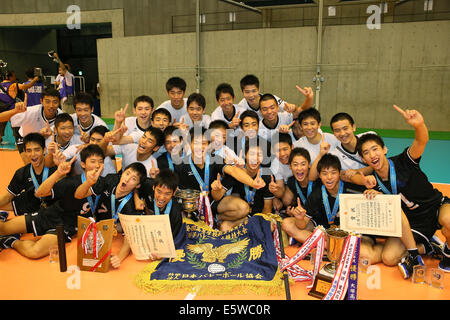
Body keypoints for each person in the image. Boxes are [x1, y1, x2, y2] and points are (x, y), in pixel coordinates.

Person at [353, 105, 450, 275]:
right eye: (366, 153)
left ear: (384, 149)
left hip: (434, 207)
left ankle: (448, 250)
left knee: (448, 220)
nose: (372, 155)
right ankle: (426, 246)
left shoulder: (404, 161)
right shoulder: (371, 183)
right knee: (389, 258)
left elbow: (421, 141)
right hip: (410, 223)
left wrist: (419, 125)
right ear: (363, 158)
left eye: (375, 149)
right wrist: (378, 197)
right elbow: (349, 176)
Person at [0, 145, 103, 257]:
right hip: (49, 215)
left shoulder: (104, 183)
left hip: (64, 227)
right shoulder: (70, 182)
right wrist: (58, 173)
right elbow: (40, 193)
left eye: (100, 162)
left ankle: (10, 241)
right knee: (3, 228)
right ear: (83, 164)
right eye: (93, 161)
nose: (97, 165)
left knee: (34, 252)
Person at [173, 126, 266, 229]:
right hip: (193, 206)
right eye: (196, 143)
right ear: (190, 144)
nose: (200, 147)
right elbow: (179, 195)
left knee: (243, 208)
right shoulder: (181, 165)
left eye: (204, 143)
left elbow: (233, 170)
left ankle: (216, 217)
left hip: (214, 202)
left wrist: (253, 183)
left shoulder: (215, 159)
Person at [74, 162, 148, 267]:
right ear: (122, 173)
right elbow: (78, 195)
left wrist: (119, 258)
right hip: (95, 226)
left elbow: (129, 240)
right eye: (127, 174)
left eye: (133, 179)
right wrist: (88, 183)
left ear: (137, 185)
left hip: (114, 233)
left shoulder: (132, 207)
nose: (127, 179)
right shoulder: (110, 180)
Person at [211, 140, 274, 231]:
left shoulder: (267, 176)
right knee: (225, 228)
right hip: (238, 214)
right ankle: (218, 217)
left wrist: (258, 222)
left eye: (259, 155)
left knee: (269, 227)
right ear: (246, 155)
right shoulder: (237, 172)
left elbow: (267, 209)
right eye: (252, 154)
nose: (255, 158)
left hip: (255, 216)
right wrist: (216, 190)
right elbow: (216, 197)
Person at [0, 133, 57, 216]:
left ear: (44, 150)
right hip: (32, 207)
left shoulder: (56, 168)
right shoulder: (22, 172)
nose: (33, 154)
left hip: (54, 210)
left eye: (37, 150)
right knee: (18, 198)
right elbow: (8, 196)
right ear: (25, 152)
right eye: (29, 151)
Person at [10, 87, 62, 164]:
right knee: (30, 166)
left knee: (47, 164)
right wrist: (16, 110)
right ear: (41, 101)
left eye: (55, 102)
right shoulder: (30, 111)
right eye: (47, 102)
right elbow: (11, 119)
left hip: (45, 141)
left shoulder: (62, 117)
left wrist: (53, 131)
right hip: (25, 138)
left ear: (59, 102)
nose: (51, 105)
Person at [237, 74, 312, 120]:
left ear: (259, 90)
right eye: (247, 92)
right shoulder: (241, 107)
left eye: (254, 91)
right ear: (242, 92)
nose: (251, 95)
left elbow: (297, 110)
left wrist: (309, 98)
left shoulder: (272, 99)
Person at [329, 112, 375, 180]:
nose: (342, 133)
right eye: (337, 130)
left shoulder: (370, 137)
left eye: (345, 128)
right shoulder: (334, 155)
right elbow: (345, 176)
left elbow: (381, 163)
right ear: (334, 133)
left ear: (353, 127)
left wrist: (356, 172)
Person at [0, 70, 39, 144]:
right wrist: (35, 79)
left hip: (1, 110)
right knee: (16, 125)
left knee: (1, 125)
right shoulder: (13, 85)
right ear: (10, 77)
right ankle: (18, 140)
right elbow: (27, 86)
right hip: (11, 109)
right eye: (14, 76)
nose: (15, 77)